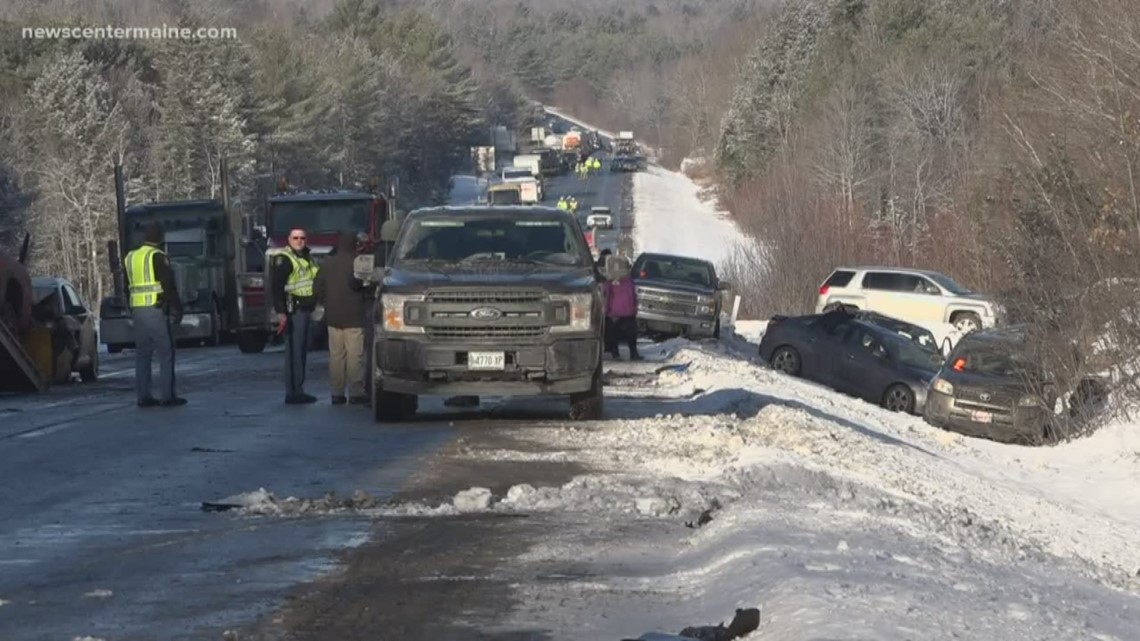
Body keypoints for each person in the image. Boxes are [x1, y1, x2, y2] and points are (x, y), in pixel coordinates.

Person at [124, 222, 187, 407]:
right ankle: (167, 395)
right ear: (160, 238)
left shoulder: (130, 257)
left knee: (143, 353)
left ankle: (143, 396)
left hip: (138, 311)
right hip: (155, 309)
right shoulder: (158, 257)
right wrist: (178, 308)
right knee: (165, 351)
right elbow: (168, 286)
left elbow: (127, 285)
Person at [313, 232, 368, 405]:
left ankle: (337, 393)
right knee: (355, 356)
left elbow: (317, 287)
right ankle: (356, 391)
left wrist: (326, 303)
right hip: (354, 316)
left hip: (333, 317)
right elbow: (361, 285)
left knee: (336, 356)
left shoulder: (327, 263)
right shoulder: (357, 263)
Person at [272, 227, 319, 404]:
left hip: (306, 309)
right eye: (295, 238)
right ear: (289, 239)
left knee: (301, 351)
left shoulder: (308, 257)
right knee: (294, 352)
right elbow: (276, 287)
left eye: (302, 238)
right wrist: (281, 312)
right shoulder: (284, 259)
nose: (299, 241)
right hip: (294, 310)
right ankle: (293, 392)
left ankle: (298, 388)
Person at [602, 254, 640, 361]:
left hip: (614, 314)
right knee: (631, 335)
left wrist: (606, 310)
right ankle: (633, 353)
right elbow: (633, 296)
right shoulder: (629, 281)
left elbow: (606, 296)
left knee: (614, 336)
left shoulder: (609, 282)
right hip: (628, 313)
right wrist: (634, 309)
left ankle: (615, 353)